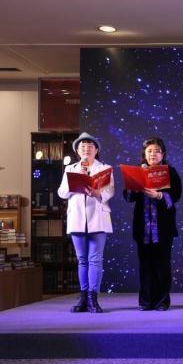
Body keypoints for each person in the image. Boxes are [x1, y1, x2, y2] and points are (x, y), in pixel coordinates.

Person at [57, 132, 115, 313]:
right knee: (82, 260)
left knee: (95, 259)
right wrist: (77, 177)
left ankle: (93, 299)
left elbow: (110, 191)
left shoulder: (105, 168)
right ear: (77, 150)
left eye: (90, 146)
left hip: (98, 218)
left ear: (96, 150)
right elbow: (62, 193)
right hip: (77, 219)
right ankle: (83, 298)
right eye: (82, 146)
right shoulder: (71, 168)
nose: (86, 149)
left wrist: (97, 193)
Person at [123, 137, 182, 311]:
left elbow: (177, 195)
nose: (153, 154)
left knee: (162, 265)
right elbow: (128, 197)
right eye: (149, 151)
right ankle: (146, 301)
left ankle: (162, 301)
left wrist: (160, 196)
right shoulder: (136, 171)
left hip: (164, 227)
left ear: (163, 154)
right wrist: (134, 185)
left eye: (157, 151)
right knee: (145, 265)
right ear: (144, 154)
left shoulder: (170, 171)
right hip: (143, 227)